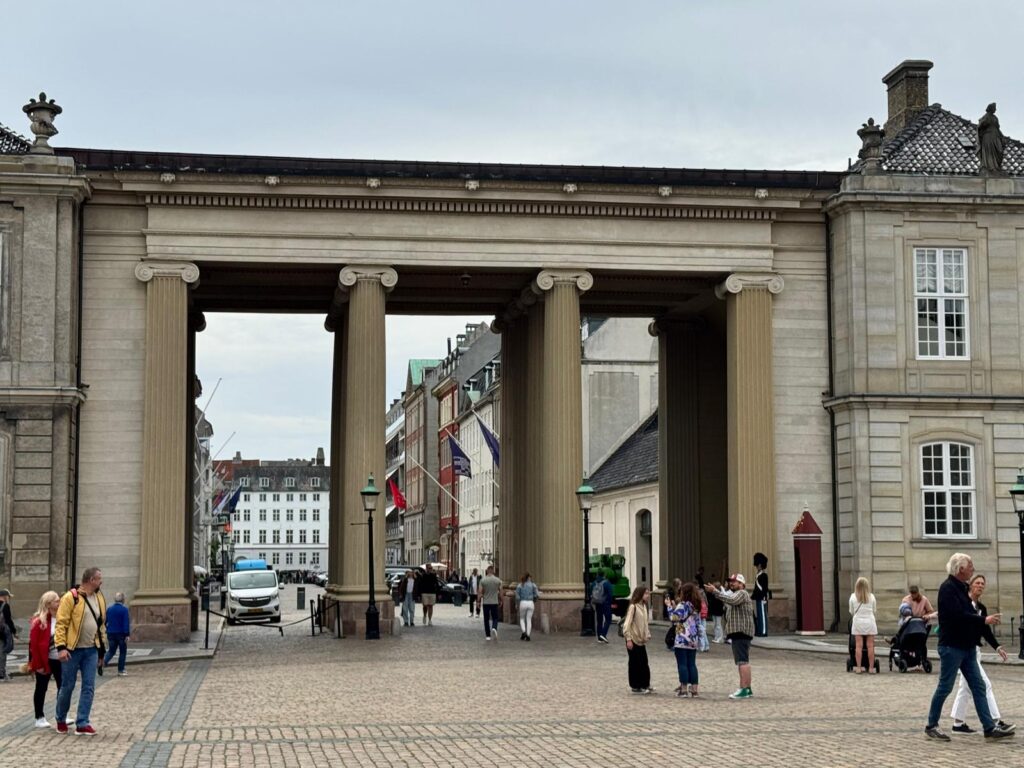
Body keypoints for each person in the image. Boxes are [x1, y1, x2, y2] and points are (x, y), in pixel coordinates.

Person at [924, 553, 1013, 741]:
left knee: (978, 686)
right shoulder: (947, 589)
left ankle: (989, 728)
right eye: (970, 565)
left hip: (968, 647)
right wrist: (983, 619)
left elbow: (972, 615)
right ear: (960, 569)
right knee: (945, 687)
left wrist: (991, 637)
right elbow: (958, 616)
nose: (973, 568)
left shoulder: (963, 587)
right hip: (952, 646)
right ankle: (931, 725)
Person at [949, 574, 1014, 734]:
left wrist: (997, 647)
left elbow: (985, 630)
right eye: (977, 583)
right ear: (970, 585)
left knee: (965, 688)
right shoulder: (963, 603)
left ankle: (958, 724)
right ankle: (995, 721)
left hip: (974, 651)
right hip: (963, 651)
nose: (980, 586)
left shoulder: (982, 608)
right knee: (985, 684)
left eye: (982, 584)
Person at [54, 567, 108, 735]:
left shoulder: (99, 597)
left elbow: (101, 626)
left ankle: (82, 722)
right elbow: (61, 624)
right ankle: (60, 718)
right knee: (67, 686)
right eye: (99, 578)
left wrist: (101, 651)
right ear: (91, 580)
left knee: (89, 687)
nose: (101, 581)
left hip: (91, 650)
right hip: (72, 650)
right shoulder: (71, 597)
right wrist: (61, 648)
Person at [705, 574, 755, 699]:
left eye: (735, 581)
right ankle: (747, 688)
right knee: (743, 661)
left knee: (742, 661)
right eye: (730, 581)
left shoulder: (741, 593)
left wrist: (715, 591)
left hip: (741, 631)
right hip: (739, 632)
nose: (732, 583)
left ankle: (744, 689)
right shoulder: (736, 594)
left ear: (742, 584)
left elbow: (731, 600)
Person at [28, 591, 62, 728]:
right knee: (41, 688)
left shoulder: (62, 617)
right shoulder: (39, 621)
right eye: (56, 601)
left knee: (63, 687)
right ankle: (39, 717)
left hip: (60, 659)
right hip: (44, 660)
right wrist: (38, 665)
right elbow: (34, 646)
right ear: (48, 604)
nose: (59, 603)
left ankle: (61, 714)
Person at [669, 582, 702, 697]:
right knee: (692, 664)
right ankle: (694, 689)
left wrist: (669, 607)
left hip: (682, 637)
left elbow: (674, 618)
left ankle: (683, 689)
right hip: (693, 638)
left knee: (682, 664)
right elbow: (698, 622)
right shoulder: (695, 606)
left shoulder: (683, 605)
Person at [622, 585, 653, 694]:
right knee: (635, 663)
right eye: (646, 593)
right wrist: (628, 639)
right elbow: (627, 624)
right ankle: (636, 685)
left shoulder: (644, 606)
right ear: (640, 594)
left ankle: (645, 684)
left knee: (644, 662)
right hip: (633, 639)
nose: (648, 595)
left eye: (648, 593)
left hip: (641, 640)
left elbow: (645, 623)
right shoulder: (633, 607)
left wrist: (647, 633)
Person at [849, 577, 878, 674]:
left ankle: (858, 667)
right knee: (870, 646)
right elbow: (874, 610)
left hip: (858, 622)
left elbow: (851, 611)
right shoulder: (871, 596)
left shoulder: (853, 596)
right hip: (869, 621)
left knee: (858, 646)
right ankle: (871, 668)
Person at [103, 592, 130, 676]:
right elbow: (126, 623)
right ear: (123, 600)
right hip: (121, 634)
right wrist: (127, 634)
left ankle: (103, 662)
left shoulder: (109, 609)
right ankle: (121, 670)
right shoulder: (124, 610)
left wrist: (107, 629)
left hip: (111, 633)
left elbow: (105, 621)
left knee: (111, 651)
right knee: (122, 652)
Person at [978, 102, 1004, 173]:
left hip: (996, 136)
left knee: (1000, 151)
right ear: (991, 109)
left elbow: (998, 128)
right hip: (988, 137)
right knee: (989, 151)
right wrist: (984, 123)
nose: (995, 109)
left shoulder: (995, 118)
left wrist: (1002, 136)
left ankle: (997, 167)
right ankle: (990, 167)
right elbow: (979, 126)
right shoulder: (985, 117)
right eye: (994, 108)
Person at [478, 565, 502, 641]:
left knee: (486, 619)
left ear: (487, 571)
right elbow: (501, 592)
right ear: (493, 571)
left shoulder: (483, 580)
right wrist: (501, 600)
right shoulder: (498, 580)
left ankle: (488, 635)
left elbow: (480, 592)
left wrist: (478, 601)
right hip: (494, 602)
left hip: (486, 602)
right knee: (495, 617)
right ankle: (494, 627)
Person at [515, 572, 539, 641]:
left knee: (522, 618)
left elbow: (517, 596)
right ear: (529, 578)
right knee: (529, 619)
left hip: (523, 602)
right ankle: (528, 635)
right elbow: (537, 595)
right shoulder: (533, 585)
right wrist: (534, 599)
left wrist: (517, 604)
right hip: (531, 603)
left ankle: (524, 632)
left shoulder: (520, 585)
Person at [0, 587, 17, 682]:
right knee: (2, 653)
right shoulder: (5, 606)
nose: (8, 598)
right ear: (4, 596)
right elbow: (8, 620)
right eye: (8, 596)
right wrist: (14, 631)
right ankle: (1, 673)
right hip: (2, 633)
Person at [752, 553, 769, 637]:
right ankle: (759, 630)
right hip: (758, 597)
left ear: (760, 565)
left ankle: (763, 631)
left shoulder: (764, 575)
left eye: (758, 565)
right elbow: (756, 588)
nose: (757, 567)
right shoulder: (758, 575)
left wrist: (764, 597)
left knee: (762, 615)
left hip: (762, 597)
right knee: (759, 614)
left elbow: (764, 588)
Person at [706, 576, 725, 644]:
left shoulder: (719, 593)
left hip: (718, 611)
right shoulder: (712, 593)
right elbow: (708, 598)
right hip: (714, 611)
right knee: (715, 625)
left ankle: (720, 638)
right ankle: (716, 637)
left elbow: (720, 600)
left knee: (718, 625)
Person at [596, 573, 613, 644]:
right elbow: (610, 594)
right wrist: (610, 602)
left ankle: (599, 638)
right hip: (605, 604)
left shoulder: (595, 582)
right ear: (604, 575)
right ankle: (603, 634)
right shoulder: (607, 583)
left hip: (597, 603)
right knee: (608, 619)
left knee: (599, 620)